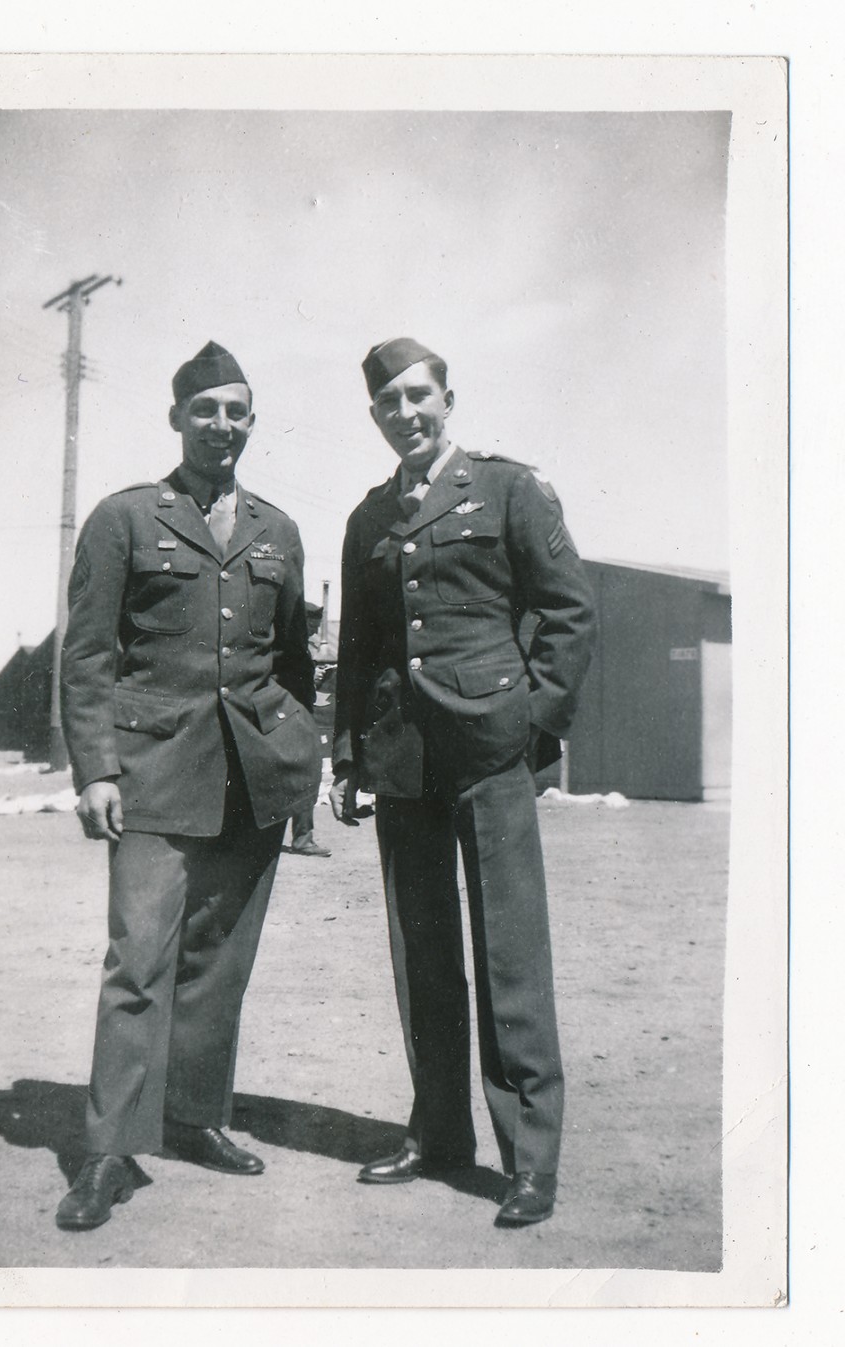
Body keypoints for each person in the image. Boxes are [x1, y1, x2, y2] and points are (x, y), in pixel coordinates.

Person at [330, 337, 595, 1228]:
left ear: (448, 400)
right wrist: (348, 755)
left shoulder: (509, 489)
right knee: (424, 955)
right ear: (375, 416)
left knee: (510, 955)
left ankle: (529, 1158)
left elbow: (568, 610)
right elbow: (360, 646)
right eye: (389, 403)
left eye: (419, 396)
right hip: (403, 758)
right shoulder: (369, 517)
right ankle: (439, 1131)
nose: (405, 413)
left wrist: (536, 721)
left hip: (490, 752)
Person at [56, 341, 321, 1231]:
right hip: (153, 775)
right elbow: (87, 655)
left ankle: (195, 1114)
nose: (221, 425)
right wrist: (96, 768)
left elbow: (291, 664)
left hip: (251, 778)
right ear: (177, 418)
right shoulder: (126, 518)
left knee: (219, 963)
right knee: (139, 961)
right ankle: (109, 1149)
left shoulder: (277, 531)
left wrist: (295, 765)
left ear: (252, 423)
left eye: (236, 411)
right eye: (205, 409)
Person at [288, 603, 333, 858]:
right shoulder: (289, 646)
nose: (315, 632)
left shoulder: (304, 647)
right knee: (305, 776)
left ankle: (303, 837)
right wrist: (309, 677)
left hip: (301, 718)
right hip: (288, 720)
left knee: (308, 776)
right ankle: (302, 839)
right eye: (311, 626)